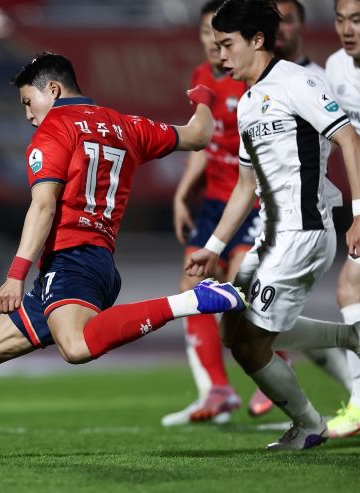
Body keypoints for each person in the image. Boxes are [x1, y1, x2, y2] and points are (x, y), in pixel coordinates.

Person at [0, 53, 247, 438]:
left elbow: (44, 205)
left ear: (53, 90)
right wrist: (205, 99)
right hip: (92, 261)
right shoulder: (125, 125)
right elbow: (198, 135)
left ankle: (190, 301)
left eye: (28, 102)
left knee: (75, 346)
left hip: (72, 261)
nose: (28, 116)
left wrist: (16, 274)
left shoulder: (53, 129)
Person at [187, 0, 360, 450]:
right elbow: (245, 186)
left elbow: (349, 139)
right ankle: (352, 336)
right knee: (231, 330)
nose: (220, 54)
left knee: (251, 344)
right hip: (270, 237)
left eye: (228, 44)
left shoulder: (296, 82)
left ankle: (308, 425)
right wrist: (213, 246)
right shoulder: (248, 103)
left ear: (257, 40)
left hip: (303, 234)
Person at [244, 0, 353, 419]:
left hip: (309, 222)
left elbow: (348, 140)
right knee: (242, 326)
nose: (281, 28)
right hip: (275, 224)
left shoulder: (315, 79)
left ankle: (323, 414)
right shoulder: (251, 94)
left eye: (287, 20)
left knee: (254, 334)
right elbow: (247, 177)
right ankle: (348, 353)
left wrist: (357, 210)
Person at [163, 0, 251, 427]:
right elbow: (203, 141)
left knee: (244, 289)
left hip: (254, 201)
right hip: (215, 202)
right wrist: (183, 193)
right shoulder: (201, 76)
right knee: (191, 286)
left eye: (219, 35)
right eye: (205, 34)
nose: (212, 43)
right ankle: (216, 389)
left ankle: (280, 374)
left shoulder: (253, 77)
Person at [325, 0, 360, 438]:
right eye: (340, 19)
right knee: (351, 287)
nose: (346, 29)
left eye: (357, 20)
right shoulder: (336, 67)